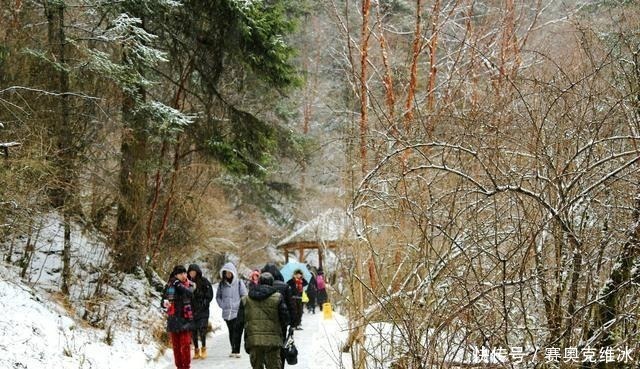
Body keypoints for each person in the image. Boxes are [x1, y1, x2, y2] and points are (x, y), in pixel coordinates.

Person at [240, 272, 290, 369]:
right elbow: (286, 319)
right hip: (273, 341)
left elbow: (239, 323)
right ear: (272, 283)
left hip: (254, 341)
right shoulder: (278, 297)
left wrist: (235, 347)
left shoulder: (246, 299)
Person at [162, 265, 195, 369]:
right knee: (176, 347)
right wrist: (164, 303)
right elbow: (162, 301)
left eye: (185, 273)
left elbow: (189, 293)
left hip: (185, 319)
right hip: (173, 319)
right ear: (176, 275)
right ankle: (179, 367)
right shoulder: (169, 286)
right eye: (181, 273)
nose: (184, 275)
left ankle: (186, 366)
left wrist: (178, 285)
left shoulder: (190, 285)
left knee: (185, 345)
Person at [261, 263, 293, 369]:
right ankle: (280, 366)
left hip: (265, 323)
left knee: (267, 347)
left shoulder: (260, 287)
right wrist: (291, 323)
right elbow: (291, 306)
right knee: (281, 347)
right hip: (281, 323)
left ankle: (268, 364)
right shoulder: (284, 286)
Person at [216, 262, 247, 358]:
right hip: (227, 312)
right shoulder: (222, 284)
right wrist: (223, 305)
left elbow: (244, 296)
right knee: (231, 331)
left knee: (237, 331)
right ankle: (233, 349)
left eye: (229, 272)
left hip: (237, 312)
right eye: (226, 273)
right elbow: (218, 297)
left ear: (233, 273)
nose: (228, 274)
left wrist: (238, 305)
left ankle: (236, 350)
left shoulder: (239, 283)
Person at [187, 264, 213, 359]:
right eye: (190, 272)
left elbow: (209, 295)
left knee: (202, 329)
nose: (192, 273)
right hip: (191, 310)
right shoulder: (187, 282)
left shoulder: (204, 281)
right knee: (193, 331)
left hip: (203, 310)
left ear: (197, 272)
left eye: (193, 271)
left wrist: (203, 302)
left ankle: (204, 348)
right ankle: (196, 350)